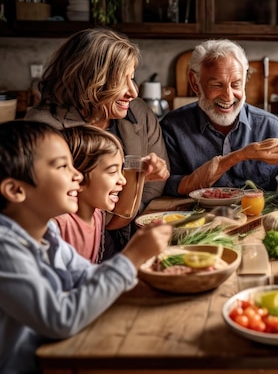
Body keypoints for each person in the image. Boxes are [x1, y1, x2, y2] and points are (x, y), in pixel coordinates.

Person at [0, 120, 172, 374]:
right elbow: (59, 318)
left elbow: (87, 276)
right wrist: (131, 257)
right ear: (16, 190)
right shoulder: (5, 248)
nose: (78, 175)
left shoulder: (47, 235)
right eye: (62, 166)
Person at [24, 28, 170, 258]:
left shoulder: (139, 113)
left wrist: (131, 210)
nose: (133, 92)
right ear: (88, 81)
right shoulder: (44, 131)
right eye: (119, 80)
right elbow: (57, 211)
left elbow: (153, 189)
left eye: (132, 77)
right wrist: (134, 180)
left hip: (137, 234)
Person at [160, 39, 278, 195]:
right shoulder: (173, 127)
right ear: (194, 83)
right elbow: (166, 186)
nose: (228, 96)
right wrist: (240, 155)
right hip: (194, 217)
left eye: (236, 84)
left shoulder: (270, 125)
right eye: (217, 85)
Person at [56, 126, 127, 263]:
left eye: (121, 170)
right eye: (112, 172)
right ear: (78, 177)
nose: (122, 180)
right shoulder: (59, 226)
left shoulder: (97, 214)